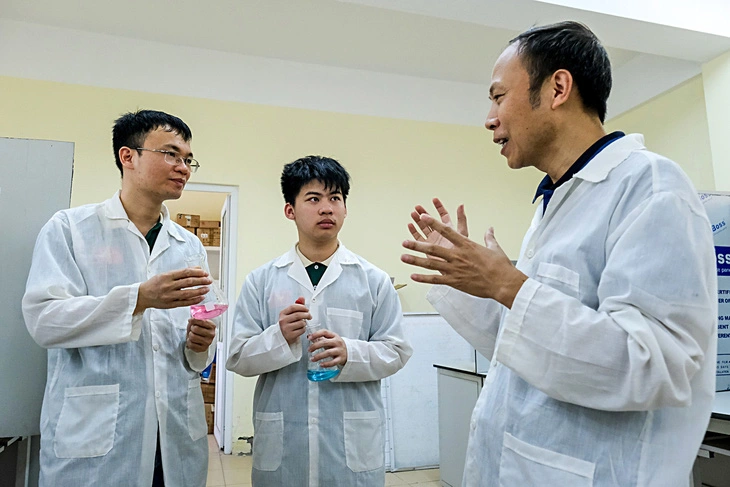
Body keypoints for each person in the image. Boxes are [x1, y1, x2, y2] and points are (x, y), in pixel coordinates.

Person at [401, 21, 717, 486]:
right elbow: (532, 345)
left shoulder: (650, 187)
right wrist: (471, 282)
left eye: (497, 97)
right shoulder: (558, 200)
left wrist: (508, 284)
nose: (489, 119)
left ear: (558, 88)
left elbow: (655, 366)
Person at [22, 110, 218, 486]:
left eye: (187, 159)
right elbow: (44, 321)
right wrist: (138, 299)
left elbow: (193, 346)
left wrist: (200, 344)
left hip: (173, 433)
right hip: (98, 434)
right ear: (128, 156)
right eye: (171, 154)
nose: (183, 167)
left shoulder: (189, 244)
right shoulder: (70, 230)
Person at [226, 155, 413, 486]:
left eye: (335, 199)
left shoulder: (374, 280)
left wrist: (349, 353)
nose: (327, 208)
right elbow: (238, 356)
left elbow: (396, 351)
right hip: (283, 441)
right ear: (290, 210)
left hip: (351, 445)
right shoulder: (262, 281)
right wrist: (279, 337)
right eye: (313, 199)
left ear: (345, 208)